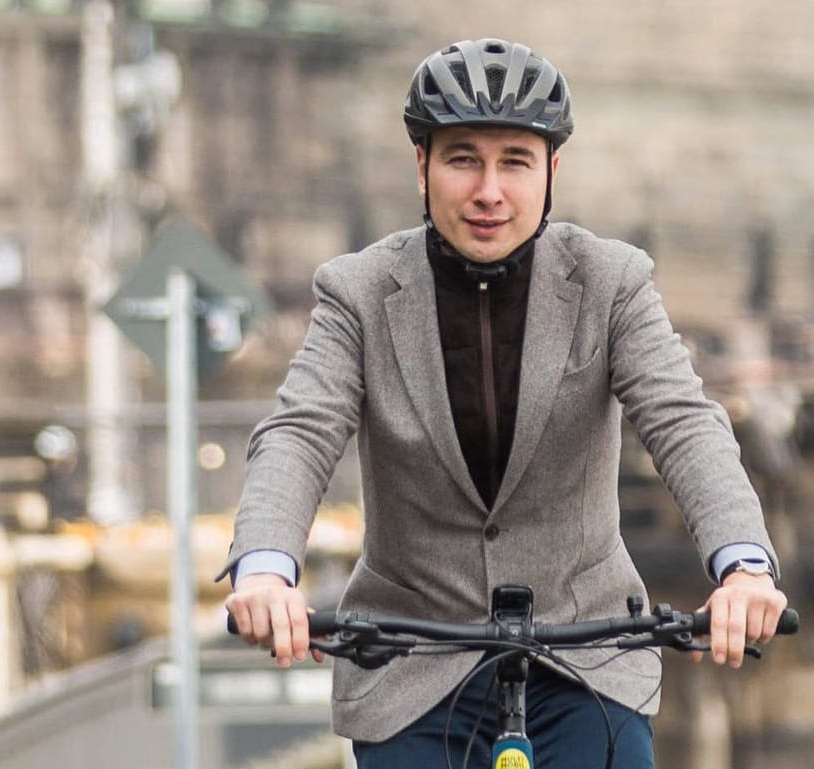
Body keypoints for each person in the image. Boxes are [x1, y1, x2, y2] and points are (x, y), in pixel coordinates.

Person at [219, 38, 790, 768]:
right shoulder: (358, 291)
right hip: (413, 660)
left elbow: (683, 422)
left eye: (513, 162)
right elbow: (299, 432)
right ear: (421, 166)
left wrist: (743, 567)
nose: (488, 189)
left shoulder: (610, 282)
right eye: (462, 159)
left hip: (584, 659)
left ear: (549, 172)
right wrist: (266, 568)